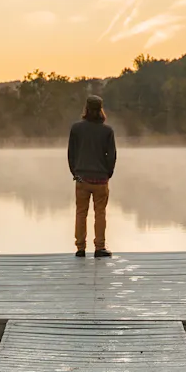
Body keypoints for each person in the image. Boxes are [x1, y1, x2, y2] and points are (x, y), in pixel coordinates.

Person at [67, 95, 117, 258]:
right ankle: (99, 247)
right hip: (101, 178)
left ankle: (80, 248)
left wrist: (75, 173)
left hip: (81, 177)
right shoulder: (107, 131)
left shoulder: (76, 129)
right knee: (100, 212)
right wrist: (108, 173)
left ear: (86, 109)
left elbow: (71, 154)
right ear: (101, 110)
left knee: (81, 212)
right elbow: (112, 156)